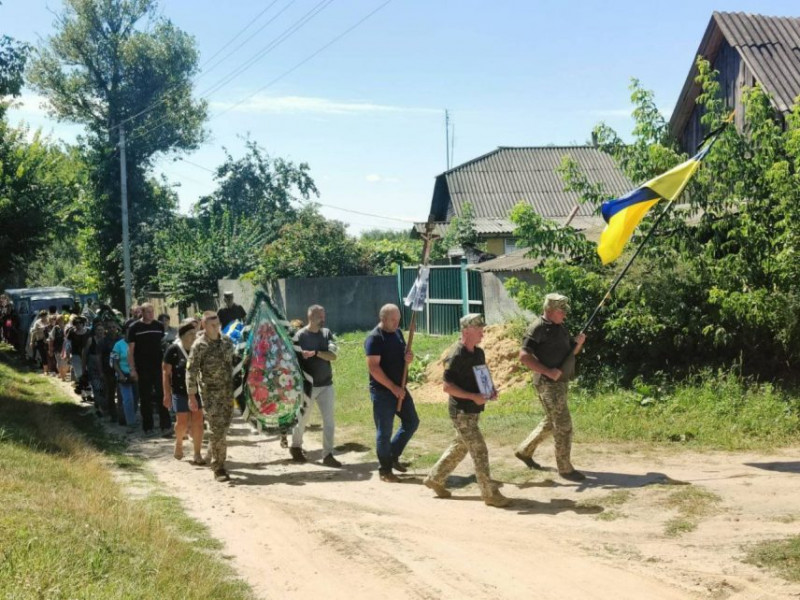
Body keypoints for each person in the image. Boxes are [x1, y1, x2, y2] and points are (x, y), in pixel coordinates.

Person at [423, 314, 511, 507]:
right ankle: (489, 494)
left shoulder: (478, 352)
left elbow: (482, 375)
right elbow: (447, 387)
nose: (482, 332)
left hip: (473, 410)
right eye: (478, 329)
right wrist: (473, 396)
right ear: (466, 331)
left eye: (482, 328)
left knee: (460, 446)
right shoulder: (456, 355)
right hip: (461, 412)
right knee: (480, 450)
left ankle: (435, 478)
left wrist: (490, 390)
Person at [514, 293, 587, 482]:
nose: (565, 314)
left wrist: (577, 344)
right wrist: (547, 371)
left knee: (551, 421)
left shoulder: (559, 326)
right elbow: (523, 356)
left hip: (560, 382)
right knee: (563, 425)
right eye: (562, 311)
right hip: (548, 384)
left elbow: (571, 352)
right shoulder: (538, 328)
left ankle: (525, 451)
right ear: (550, 310)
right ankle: (565, 468)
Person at [364, 303, 419, 483]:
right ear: (383, 319)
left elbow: (402, 355)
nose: (396, 323)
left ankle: (392, 455)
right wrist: (392, 387)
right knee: (384, 432)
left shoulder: (397, 333)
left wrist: (408, 357)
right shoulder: (374, 338)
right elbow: (374, 368)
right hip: (383, 392)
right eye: (393, 320)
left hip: (400, 387)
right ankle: (385, 470)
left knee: (411, 422)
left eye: (398, 319)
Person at [289, 305, 341, 468]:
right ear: (311, 317)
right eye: (320, 316)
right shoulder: (299, 336)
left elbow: (333, 355)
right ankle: (296, 447)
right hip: (307, 387)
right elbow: (292, 362)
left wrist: (316, 353)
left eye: (323, 316)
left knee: (329, 421)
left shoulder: (326, 333)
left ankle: (328, 454)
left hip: (326, 384)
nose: (323, 319)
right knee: (302, 419)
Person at [187, 311, 235, 482]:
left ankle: (211, 450)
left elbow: (234, 363)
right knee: (217, 429)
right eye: (212, 325)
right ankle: (219, 467)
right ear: (204, 325)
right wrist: (191, 395)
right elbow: (191, 371)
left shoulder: (227, 342)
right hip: (210, 393)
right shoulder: (199, 345)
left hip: (227, 393)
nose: (216, 327)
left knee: (224, 428)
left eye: (218, 324)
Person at [163, 322, 205, 464]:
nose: (194, 337)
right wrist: (166, 394)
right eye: (190, 334)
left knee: (198, 422)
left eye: (195, 333)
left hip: (198, 391)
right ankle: (179, 443)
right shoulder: (173, 350)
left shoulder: (200, 349)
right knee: (182, 422)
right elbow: (166, 373)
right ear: (182, 336)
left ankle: (197, 453)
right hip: (179, 392)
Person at [128, 303, 172, 437]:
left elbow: (163, 346)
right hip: (142, 367)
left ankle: (166, 426)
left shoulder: (158, 326)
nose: (151, 314)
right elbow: (130, 351)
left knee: (162, 396)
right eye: (148, 312)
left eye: (152, 312)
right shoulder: (134, 327)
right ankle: (148, 427)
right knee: (145, 398)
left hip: (158, 367)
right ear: (141, 312)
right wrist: (133, 369)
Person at [111, 333, 137, 433]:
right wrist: (120, 374)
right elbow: (114, 362)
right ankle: (131, 422)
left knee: (136, 398)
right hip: (123, 374)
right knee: (127, 399)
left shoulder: (136, 344)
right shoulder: (118, 345)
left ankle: (132, 416)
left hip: (135, 374)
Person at [101, 320, 123, 424]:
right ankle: (113, 414)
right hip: (108, 370)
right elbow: (99, 357)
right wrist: (101, 371)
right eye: (109, 328)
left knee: (121, 393)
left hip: (121, 369)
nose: (112, 329)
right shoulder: (103, 342)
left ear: (117, 328)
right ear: (106, 329)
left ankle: (121, 414)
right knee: (110, 392)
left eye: (113, 327)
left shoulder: (121, 339)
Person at [83, 321, 107, 416]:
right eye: (98, 330)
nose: (100, 332)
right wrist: (84, 367)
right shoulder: (90, 340)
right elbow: (85, 354)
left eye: (101, 330)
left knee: (105, 387)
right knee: (97, 387)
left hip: (104, 367)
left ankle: (102, 405)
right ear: (95, 331)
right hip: (93, 367)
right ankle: (100, 408)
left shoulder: (106, 340)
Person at [29, 310, 50, 375]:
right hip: (40, 340)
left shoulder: (49, 321)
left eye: (45, 316)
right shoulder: (37, 323)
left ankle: (51, 368)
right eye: (42, 316)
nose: (44, 318)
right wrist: (32, 341)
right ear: (40, 316)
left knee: (49, 355)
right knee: (43, 355)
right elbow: (33, 333)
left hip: (49, 340)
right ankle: (45, 370)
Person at [49, 314, 68, 381]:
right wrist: (50, 349)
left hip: (65, 349)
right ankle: (63, 377)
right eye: (59, 320)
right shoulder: (55, 328)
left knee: (65, 363)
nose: (60, 321)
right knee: (59, 362)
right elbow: (51, 339)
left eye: (61, 319)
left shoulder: (66, 327)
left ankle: (63, 374)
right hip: (57, 348)